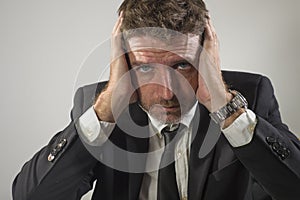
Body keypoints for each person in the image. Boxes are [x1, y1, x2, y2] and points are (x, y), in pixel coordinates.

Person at [12, 0, 300, 200]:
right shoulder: (99, 106)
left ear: (207, 56)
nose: (166, 93)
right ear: (122, 62)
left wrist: (225, 108)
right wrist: (105, 110)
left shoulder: (249, 97)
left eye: (182, 66)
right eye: (146, 67)